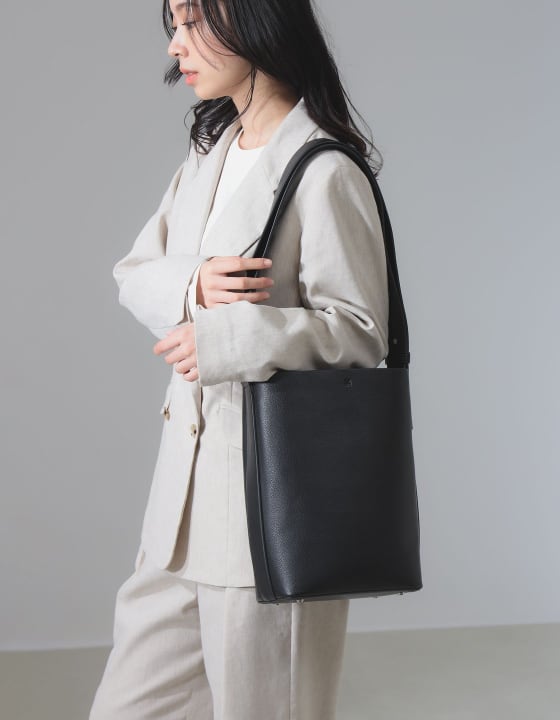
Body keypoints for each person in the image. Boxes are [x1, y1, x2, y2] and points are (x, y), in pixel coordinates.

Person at [89, 0, 389, 718]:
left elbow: (360, 332)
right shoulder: (208, 154)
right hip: (178, 517)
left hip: (268, 517)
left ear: (255, 19)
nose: (176, 46)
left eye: (193, 21)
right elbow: (135, 271)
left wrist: (227, 339)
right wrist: (194, 283)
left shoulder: (324, 168)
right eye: (174, 24)